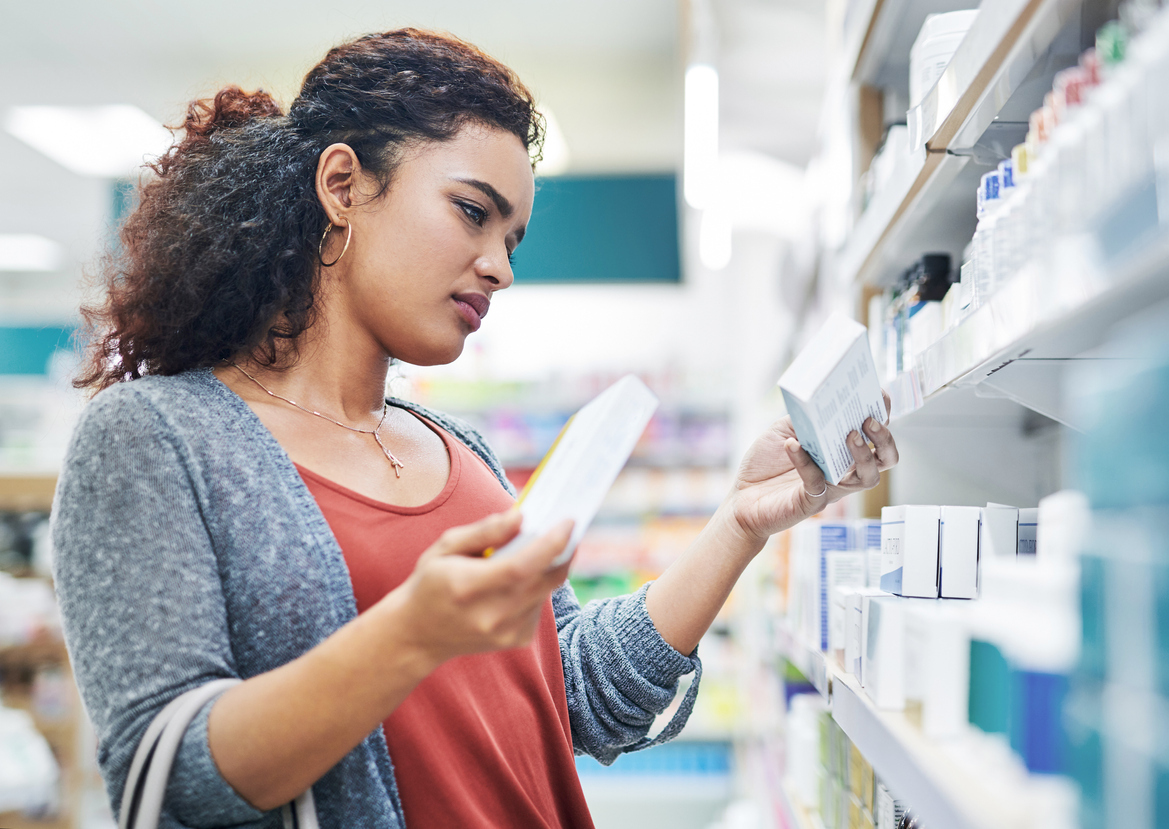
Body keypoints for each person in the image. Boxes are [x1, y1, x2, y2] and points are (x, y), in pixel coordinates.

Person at [52, 28, 898, 828]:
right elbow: (167, 771)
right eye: (471, 212)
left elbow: (572, 693)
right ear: (342, 187)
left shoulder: (463, 453)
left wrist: (736, 523)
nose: (500, 265)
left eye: (513, 235)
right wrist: (409, 634)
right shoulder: (155, 439)